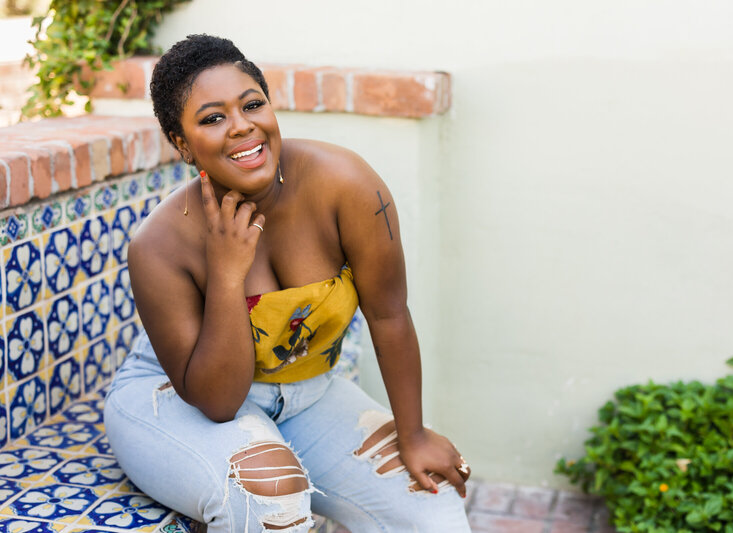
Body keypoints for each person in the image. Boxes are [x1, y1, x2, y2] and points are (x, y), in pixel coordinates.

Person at [104, 34, 471, 532]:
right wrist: (228, 273)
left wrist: (412, 432)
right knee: (271, 497)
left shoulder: (347, 185)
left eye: (252, 104)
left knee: (432, 506)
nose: (241, 127)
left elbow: (388, 313)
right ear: (184, 145)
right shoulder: (159, 245)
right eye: (213, 118)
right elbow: (218, 402)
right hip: (175, 399)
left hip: (308, 394)